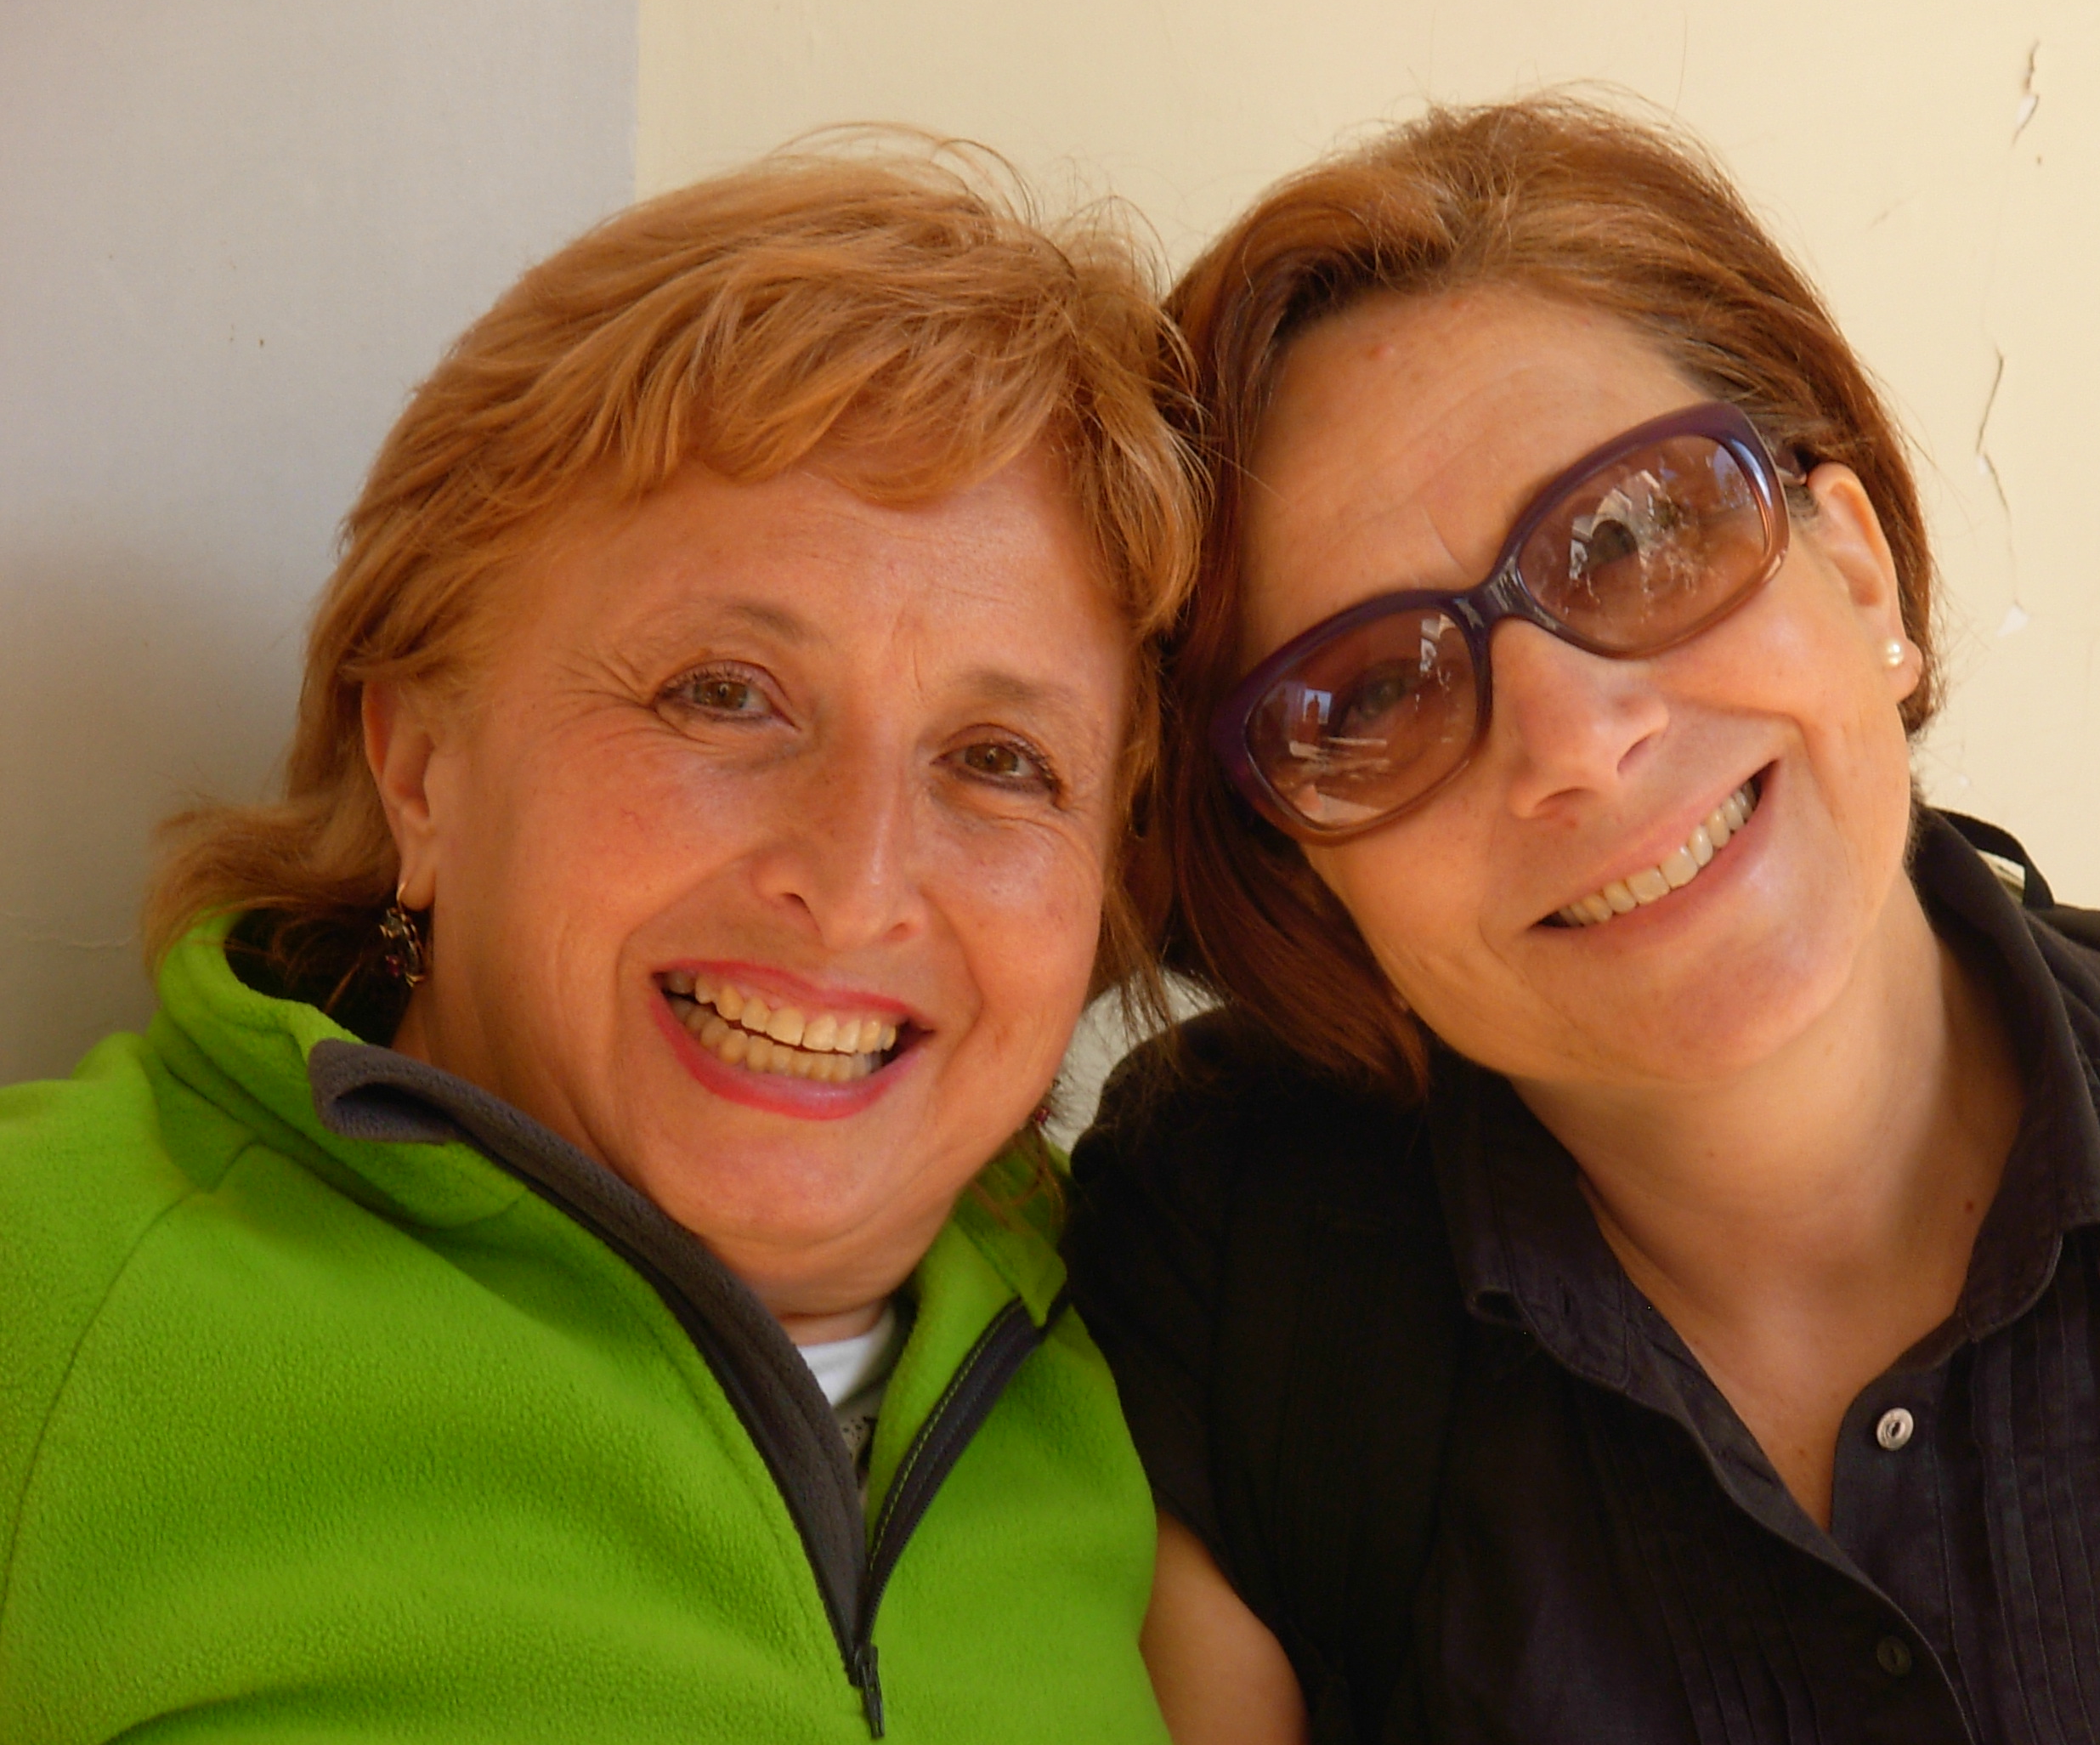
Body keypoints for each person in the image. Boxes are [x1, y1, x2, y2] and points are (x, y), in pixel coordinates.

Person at [1066, 99, 2100, 1743]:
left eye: (1636, 534)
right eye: (1371, 692)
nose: (1576, 741)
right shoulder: (1229, 1284)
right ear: (1298, 871)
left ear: (1860, 572)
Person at [0, 145, 1200, 1742]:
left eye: (1000, 761)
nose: (856, 887)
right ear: (419, 765)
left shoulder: (1179, 1354)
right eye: (723, 695)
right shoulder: (44, 1284)